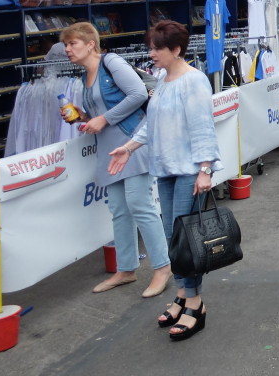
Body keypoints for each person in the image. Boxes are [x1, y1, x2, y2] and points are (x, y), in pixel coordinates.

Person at [107, 20, 220, 341]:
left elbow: (203, 127)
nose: (151, 53)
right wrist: (129, 148)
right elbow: (151, 123)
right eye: (151, 47)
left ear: (177, 49)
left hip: (189, 170)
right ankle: (183, 294)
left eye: (158, 48)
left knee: (185, 241)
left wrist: (205, 169)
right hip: (166, 169)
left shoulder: (194, 81)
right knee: (174, 238)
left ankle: (195, 303)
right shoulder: (162, 80)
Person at [60, 22, 170, 298]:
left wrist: (103, 119)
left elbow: (139, 93)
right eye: (66, 44)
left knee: (140, 205)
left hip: (133, 143)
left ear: (90, 44)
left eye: (72, 43)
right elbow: (103, 111)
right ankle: (126, 269)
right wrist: (84, 117)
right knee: (120, 210)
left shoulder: (111, 62)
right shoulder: (85, 76)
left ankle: (162, 267)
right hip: (111, 149)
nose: (67, 49)